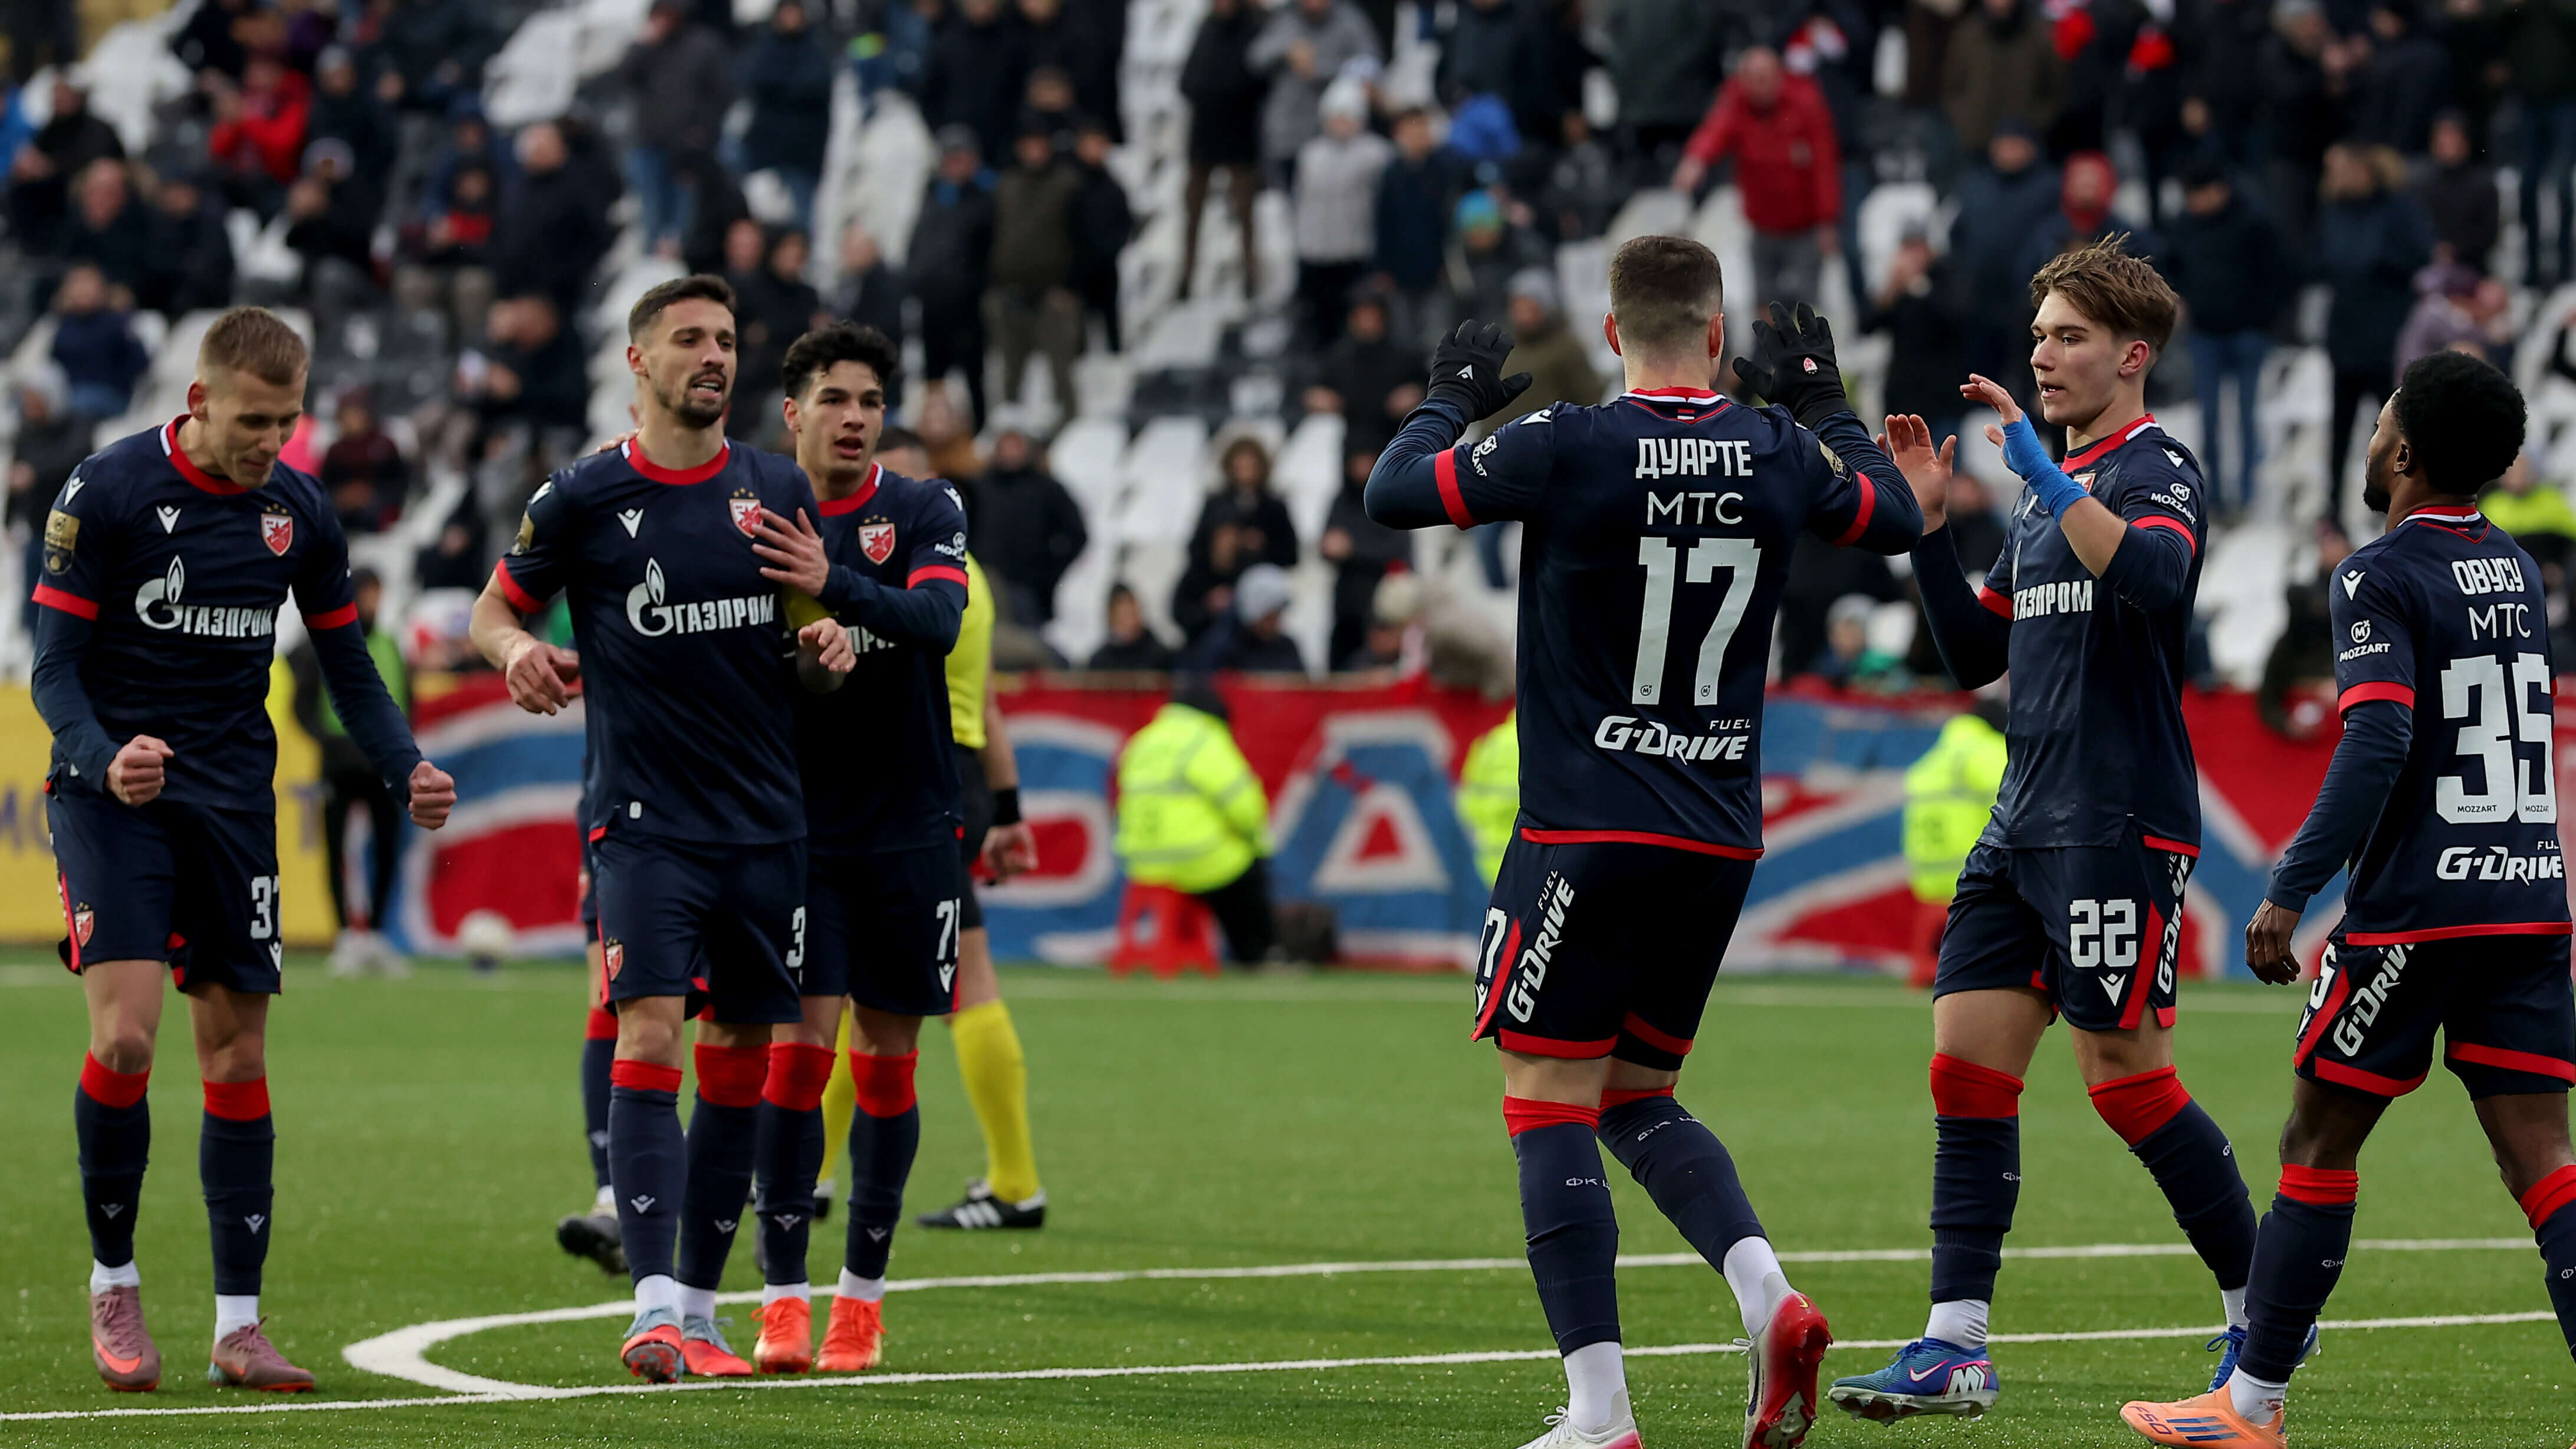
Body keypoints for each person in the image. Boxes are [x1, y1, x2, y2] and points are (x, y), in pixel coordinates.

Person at [1365, 235, 1924, 1448]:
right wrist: (1827, 403)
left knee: (1545, 1099)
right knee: (1636, 1093)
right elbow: (1895, 515)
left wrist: (1451, 399)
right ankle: (1768, 1296)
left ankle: (1600, 1411)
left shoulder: (1571, 440)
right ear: (1718, 336)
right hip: (1715, 837)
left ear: (1613, 333)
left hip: (1586, 825)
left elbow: (1393, 494)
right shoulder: (1776, 448)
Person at [1829, 238, 2255, 1422]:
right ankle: (1954, 1344)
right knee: (1964, 1065)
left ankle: (2260, 1315)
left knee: (2127, 1083)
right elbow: (1975, 654)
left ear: (2132, 354)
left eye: (2069, 337)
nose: (2044, 356)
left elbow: (2155, 583)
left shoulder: (2157, 468)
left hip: (2118, 821)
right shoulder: (2042, 492)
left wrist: (2045, 477)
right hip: (2021, 820)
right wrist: (1926, 530)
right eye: (2038, 337)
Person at [2117, 352, 2576, 1447]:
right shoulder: (2514, 565)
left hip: (2422, 911)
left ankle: (2250, 1406)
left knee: (2317, 1139)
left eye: (2378, 426)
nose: (2367, 443)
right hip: (2526, 898)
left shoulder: (2378, 573)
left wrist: (2288, 890)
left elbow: (2377, 738)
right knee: (2545, 1161)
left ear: (2404, 451)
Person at [34, 306, 458, 1394]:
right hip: (114, 796)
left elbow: (349, 664)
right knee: (127, 1039)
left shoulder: (299, 511)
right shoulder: (107, 491)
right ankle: (114, 1280)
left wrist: (404, 763)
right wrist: (102, 756)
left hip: (231, 803)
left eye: (287, 421)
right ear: (199, 402)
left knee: (235, 1057)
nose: (272, 441)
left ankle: (238, 1326)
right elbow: (54, 670)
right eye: (253, 421)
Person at [468, 275, 855, 1382]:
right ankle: (647, 1308)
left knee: (739, 1059)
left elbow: (810, 642)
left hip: (767, 824)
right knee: (648, 1035)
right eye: (689, 338)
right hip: (643, 826)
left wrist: (828, 651)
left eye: (725, 339)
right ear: (639, 361)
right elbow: (493, 609)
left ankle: (699, 1311)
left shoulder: (775, 486)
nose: (714, 355)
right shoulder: (582, 496)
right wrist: (516, 651)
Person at [732, 324, 971, 1374]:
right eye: (835, 399)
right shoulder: (750, 516)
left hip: (912, 826)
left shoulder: (923, 508)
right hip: (800, 830)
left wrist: (834, 584)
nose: (855, 418)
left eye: (871, 401)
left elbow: (937, 621)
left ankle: (860, 1303)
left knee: (887, 1063)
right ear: (793, 413)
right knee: (797, 1057)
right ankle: (782, 1299)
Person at [288, 567, 413, 978]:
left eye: (378, 593)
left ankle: (375, 935)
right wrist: (331, 742)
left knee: (388, 848)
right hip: (339, 766)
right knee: (335, 848)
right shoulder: (326, 643)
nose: (374, 602)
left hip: (383, 769)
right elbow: (301, 706)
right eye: (368, 593)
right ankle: (344, 935)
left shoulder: (391, 644)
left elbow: (406, 701)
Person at [1114, 681, 1279, 964]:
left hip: (1142, 864)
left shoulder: (1142, 741)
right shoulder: (1204, 740)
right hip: (1193, 859)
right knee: (1246, 868)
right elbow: (1244, 806)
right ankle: (1259, 955)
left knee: (1231, 868)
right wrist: (1258, 843)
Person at [1671, 47, 1841, 314]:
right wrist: (1696, 160)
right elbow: (1716, 130)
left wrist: (1827, 220)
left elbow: (1824, 167)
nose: (1761, 87)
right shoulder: (1737, 103)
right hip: (1763, 226)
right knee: (1764, 300)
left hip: (1804, 227)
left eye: (1766, 78)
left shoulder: (1806, 104)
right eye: (1753, 80)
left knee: (1806, 302)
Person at [2163, 159, 2285, 516]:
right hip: (2205, 334)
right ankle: (2213, 494)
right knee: (2209, 417)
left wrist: (2263, 320)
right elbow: (2171, 266)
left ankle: (2246, 494)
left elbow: (2278, 274)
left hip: (2248, 333)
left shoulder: (2253, 222)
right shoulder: (2185, 225)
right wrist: (2179, 299)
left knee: (2246, 414)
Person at [1900, 700, 2008, 988]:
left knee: (1937, 930)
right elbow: (2017, 799)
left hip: (1931, 864)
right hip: (1975, 860)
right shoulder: (1989, 750)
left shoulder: (1938, 755)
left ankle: (1927, 970)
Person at [1177, 0, 1266, 301]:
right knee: (1193, 211)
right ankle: (1187, 275)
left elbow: (1256, 80)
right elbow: (1186, 81)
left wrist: (1224, 91)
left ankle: (1250, 275)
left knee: (1245, 212)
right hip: (1204, 136)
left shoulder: (1253, 28)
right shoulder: (1206, 29)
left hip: (1240, 136)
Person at [1175, 437, 1299, 641]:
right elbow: (1196, 552)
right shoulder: (1215, 505)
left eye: (1250, 466)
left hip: (1259, 601)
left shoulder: (1274, 508)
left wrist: (1260, 547)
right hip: (1217, 599)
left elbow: (1291, 554)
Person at [1454, 708, 1516, 887]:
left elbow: (1466, 808)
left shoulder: (1490, 744)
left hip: (1490, 868)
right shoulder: (1551, 746)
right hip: (1538, 865)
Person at [1089, 581, 1177, 669]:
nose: (1128, 619)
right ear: (1112, 616)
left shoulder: (1159, 656)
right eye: (1124, 613)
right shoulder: (1100, 661)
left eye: (1131, 611)